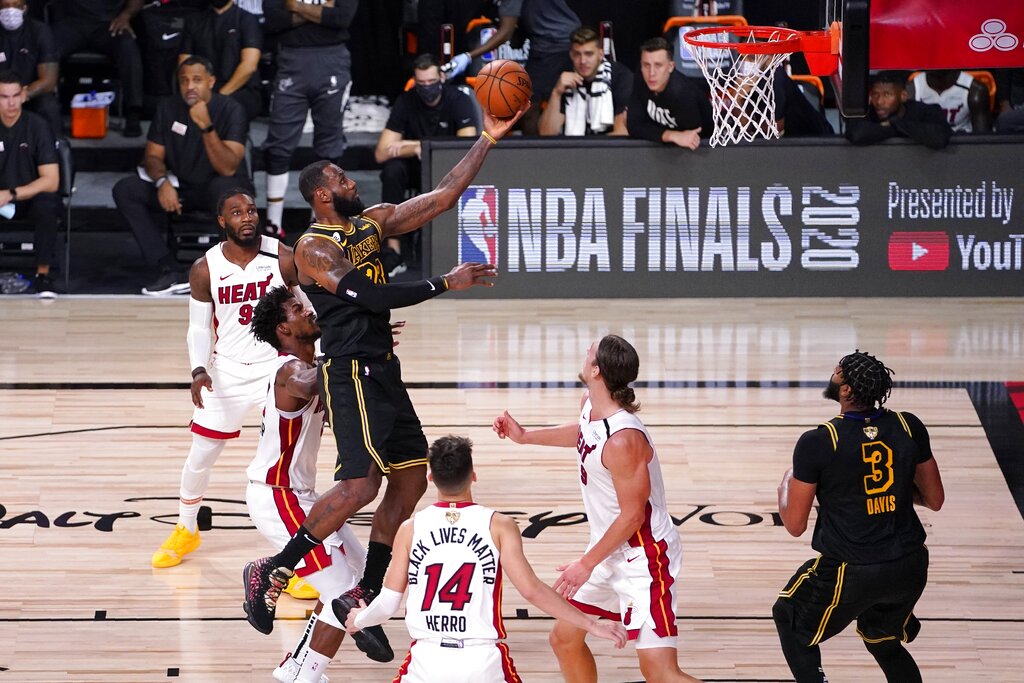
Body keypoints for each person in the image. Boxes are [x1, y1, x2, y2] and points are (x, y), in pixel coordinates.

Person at [240, 103, 528, 662]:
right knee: (359, 487)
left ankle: (366, 586)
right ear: (322, 195)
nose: (352, 182)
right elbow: (370, 296)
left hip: (382, 367)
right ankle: (272, 570)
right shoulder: (314, 247)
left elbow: (442, 198)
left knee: (412, 476)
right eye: (341, 180)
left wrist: (487, 139)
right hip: (348, 372)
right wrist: (445, 282)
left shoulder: (371, 222)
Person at [492, 335, 703, 683]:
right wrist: (525, 435)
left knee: (660, 674)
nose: (584, 355)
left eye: (588, 353)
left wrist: (585, 565)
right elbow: (584, 433)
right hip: (608, 550)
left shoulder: (625, 440)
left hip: (644, 557)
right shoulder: (590, 404)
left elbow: (633, 516)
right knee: (564, 638)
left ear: (596, 370)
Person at [341, 435, 629, 682]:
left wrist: (360, 619)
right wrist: (592, 625)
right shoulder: (499, 525)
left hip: (426, 661)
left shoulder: (411, 528)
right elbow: (532, 590)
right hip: (482, 661)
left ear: (430, 478)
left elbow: (389, 603)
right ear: (473, 474)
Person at [150, 189, 314, 606]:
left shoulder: (282, 256)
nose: (247, 217)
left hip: (275, 368)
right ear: (222, 221)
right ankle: (187, 528)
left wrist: (322, 362)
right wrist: (198, 368)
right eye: (236, 212)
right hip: (225, 371)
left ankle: (289, 561)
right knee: (201, 455)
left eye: (251, 210)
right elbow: (199, 328)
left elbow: (310, 312)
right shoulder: (205, 268)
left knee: (286, 466)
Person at [773, 350, 945, 683]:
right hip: (909, 565)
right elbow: (934, 499)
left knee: (790, 617)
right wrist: (890, 487)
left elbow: (795, 526)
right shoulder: (909, 425)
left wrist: (785, 486)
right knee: (882, 641)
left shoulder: (819, 441)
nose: (833, 374)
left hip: (853, 569)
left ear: (848, 391)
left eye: (838, 372)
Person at [246, 285, 370, 683]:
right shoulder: (289, 371)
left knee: (363, 574)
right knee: (343, 590)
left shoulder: (314, 363)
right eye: (299, 309)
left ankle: (296, 664)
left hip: (301, 494)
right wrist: (356, 342)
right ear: (284, 327)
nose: (309, 310)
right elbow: (310, 383)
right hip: (277, 496)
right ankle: (306, 676)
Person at [112, 56, 253, 296]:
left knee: (226, 192)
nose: (190, 87)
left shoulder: (231, 110)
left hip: (218, 189)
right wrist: (161, 182)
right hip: (179, 187)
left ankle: (230, 272)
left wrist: (206, 126)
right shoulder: (168, 108)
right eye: (184, 81)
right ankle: (169, 270)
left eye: (197, 80)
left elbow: (228, 167)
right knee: (126, 189)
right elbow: (152, 156)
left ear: (211, 81)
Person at [375, 53, 478, 277]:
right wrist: (415, 149)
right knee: (392, 171)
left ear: (441, 77)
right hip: (416, 169)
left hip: (449, 171)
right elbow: (382, 152)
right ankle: (394, 251)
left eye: (431, 82)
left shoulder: (458, 100)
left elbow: (467, 147)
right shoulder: (406, 101)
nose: (427, 88)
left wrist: (422, 145)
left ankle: (449, 248)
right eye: (421, 83)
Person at [261, 0, 357, 237]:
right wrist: (321, 12)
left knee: (328, 144)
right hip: (291, 59)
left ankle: (322, 219)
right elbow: (274, 20)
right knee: (278, 146)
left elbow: (341, 18)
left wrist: (295, 6)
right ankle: (273, 225)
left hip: (332, 58)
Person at [444, 0, 580, 136]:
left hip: (555, 45)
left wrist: (468, 56)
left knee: (528, 107)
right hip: (548, 41)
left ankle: (535, 152)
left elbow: (506, 32)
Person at [0, 69, 59, 297]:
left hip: (28, 198)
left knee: (48, 205)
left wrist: (11, 194)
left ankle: (42, 276)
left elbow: (51, 181)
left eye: (15, 95)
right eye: (4, 97)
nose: (11, 103)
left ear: (24, 95)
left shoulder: (38, 126)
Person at [49, 0, 145, 137]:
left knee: (128, 47)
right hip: (71, 22)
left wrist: (126, 16)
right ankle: (48, 111)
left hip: (107, 23)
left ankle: (133, 113)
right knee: (47, 46)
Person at [538, 25, 633, 137]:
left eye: (589, 54)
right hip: (571, 150)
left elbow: (622, 133)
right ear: (571, 55)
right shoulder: (563, 77)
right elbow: (546, 134)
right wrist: (557, 92)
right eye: (577, 54)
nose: (583, 61)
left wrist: (587, 151)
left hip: (608, 151)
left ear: (600, 54)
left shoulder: (620, 77)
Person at [179, 0, 263, 123]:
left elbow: (249, 65)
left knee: (222, 111)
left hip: (239, 90)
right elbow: (184, 63)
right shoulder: (194, 20)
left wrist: (218, 97)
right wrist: (197, 91)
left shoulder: (247, 19)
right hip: (201, 88)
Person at [627, 37, 712, 151]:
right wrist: (671, 135)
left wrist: (662, 134)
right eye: (646, 65)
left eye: (658, 65)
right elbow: (634, 126)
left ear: (671, 66)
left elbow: (691, 138)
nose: (651, 73)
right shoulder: (641, 77)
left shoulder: (683, 93)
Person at [845, 71, 952, 150]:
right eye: (875, 94)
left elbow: (940, 138)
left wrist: (895, 122)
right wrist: (900, 128)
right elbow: (857, 134)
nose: (879, 101)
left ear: (903, 96)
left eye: (887, 95)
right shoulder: (866, 112)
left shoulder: (925, 111)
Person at [0, 0, 60, 135]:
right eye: (4, 6)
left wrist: (22, 95)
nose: (10, 11)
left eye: (15, 5)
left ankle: (55, 148)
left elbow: (49, 81)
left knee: (48, 105)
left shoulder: (40, 31)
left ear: (24, 8)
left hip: (30, 94)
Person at [907, 69, 992, 134]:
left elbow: (982, 140)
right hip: (926, 147)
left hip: (963, 144)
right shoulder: (912, 90)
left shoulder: (974, 90)